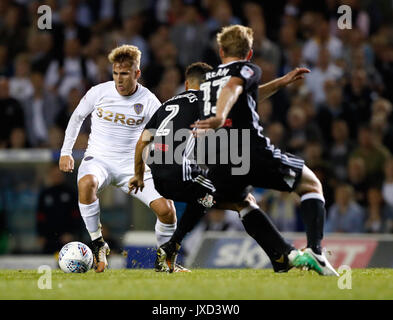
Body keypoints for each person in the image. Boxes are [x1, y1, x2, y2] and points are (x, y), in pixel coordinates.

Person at [129, 62, 314, 274]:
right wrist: (280, 83)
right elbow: (247, 100)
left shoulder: (166, 105)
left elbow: (143, 140)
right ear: (208, 84)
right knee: (221, 194)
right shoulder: (205, 101)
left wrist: (138, 174)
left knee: (236, 201)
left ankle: (279, 256)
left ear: (187, 83)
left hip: (158, 175)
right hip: (180, 170)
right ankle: (170, 250)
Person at [193, 25, 338, 276]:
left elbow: (242, 95)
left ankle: (282, 256)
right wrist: (220, 115)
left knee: (242, 202)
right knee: (312, 185)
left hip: (219, 158)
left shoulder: (207, 80)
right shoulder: (246, 68)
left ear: (220, 50)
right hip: (251, 151)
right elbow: (233, 90)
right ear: (249, 53)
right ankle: (315, 250)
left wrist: (280, 83)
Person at [59, 45, 178, 273]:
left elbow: (164, 136)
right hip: (99, 160)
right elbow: (76, 118)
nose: (119, 79)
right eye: (115, 73)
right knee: (86, 184)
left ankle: (164, 261)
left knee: (167, 210)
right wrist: (66, 151)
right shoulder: (99, 92)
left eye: (124, 74)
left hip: (132, 166)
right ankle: (98, 244)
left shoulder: (150, 101)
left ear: (137, 73)